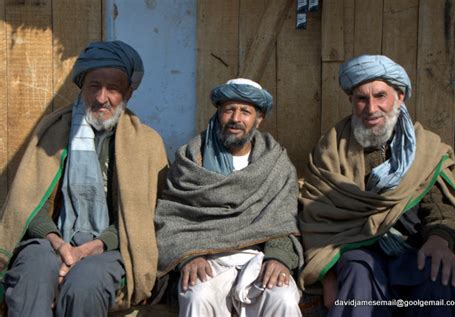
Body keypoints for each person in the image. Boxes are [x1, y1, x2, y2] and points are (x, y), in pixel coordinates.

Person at [0, 40, 168, 316]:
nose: (102, 98)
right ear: (82, 87)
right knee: (33, 272)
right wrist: (60, 246)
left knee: (86, 283)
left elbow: (144, 218)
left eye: (113, 89)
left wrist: (92, 247)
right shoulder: (53, 132)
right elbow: (29, 204)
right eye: (94, 86)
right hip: (50, 241)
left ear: (128, 93)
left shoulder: (146, 143)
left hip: (109, 247)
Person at [298, 54, 455, 317]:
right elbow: (317, 216)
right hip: (355, 248)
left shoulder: (426, 147)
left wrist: (441, 239)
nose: (371, 108)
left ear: (399, 97)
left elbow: (442, 207)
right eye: (361, 98)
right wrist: (328, 277)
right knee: (358, 271)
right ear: (351, 101)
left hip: (413, 246)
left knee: (438, 272)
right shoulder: (331, 150)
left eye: (380, 96)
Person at [155, 78, 302, 317]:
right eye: (229, 110)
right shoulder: (191, 160)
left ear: (259, 118)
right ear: (219, 112)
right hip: (206, 257)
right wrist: (189, 256)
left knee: (282, 297)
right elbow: (172, 216)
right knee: (197, 295)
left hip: (259, 257)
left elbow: (285, 219)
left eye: (245, 111)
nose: (236, 118)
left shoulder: (276, 163)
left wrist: (279, 258)